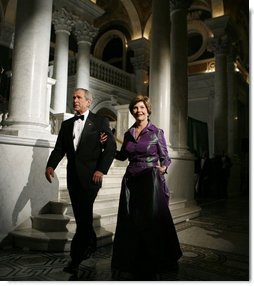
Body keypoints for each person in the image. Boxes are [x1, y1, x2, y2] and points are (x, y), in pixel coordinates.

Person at [110, 95, 182, 279]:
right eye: (135, 108)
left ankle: (156, 260)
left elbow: (165, 157)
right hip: (131, 181)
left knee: (151, 223)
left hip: (150, 181)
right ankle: (132, 260)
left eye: (141, 107)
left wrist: (163, 168)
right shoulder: (128, 133)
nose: (138, 111)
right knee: (130, 220)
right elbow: (122, 157)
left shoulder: (156, 132)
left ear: (147, 110)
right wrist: (107, 147)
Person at [45, 88, 116, 275]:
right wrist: (51, 165)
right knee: (82, 216)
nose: (75, 100)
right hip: (73, 178)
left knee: (83, 216)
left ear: (88, 102)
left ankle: (76, 258)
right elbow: (59, 148)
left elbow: (110, 148)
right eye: (73, 97)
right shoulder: (67, 124)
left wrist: (101, 170)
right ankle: (91, 242)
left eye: (79, 97)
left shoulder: (100, 121)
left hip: (92, 178)